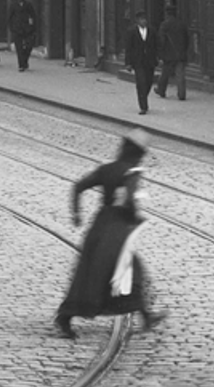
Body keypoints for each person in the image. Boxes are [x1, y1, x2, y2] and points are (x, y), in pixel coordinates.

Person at [54, 129, 162, 338]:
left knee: (93, 272)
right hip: (117, 230)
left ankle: (66, 317)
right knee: (128, 270)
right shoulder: (131, 172)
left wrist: (76, 214)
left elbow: (79, 186)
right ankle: (65, 317)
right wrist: (134, 215)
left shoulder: (107, 170)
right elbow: (130, 200)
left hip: (99, 225)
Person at [123, 11, 155, 114]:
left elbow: (156, 45)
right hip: (138, 61)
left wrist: (159, 57)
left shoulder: (152, 31)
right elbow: (128, 48)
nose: (144, 21)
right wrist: (128, 63)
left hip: (150, 60)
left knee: (149, 81)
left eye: (145, 19)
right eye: (142, 19)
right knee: (141, 82)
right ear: (137, 21)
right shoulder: (132, 31)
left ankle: (143, 96)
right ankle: (143, 106)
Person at [155, 5, 189, 100]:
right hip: (180, 53)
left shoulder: (164, 25)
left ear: (166, 13)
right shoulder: (182, 24)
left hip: (168, 54)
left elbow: (161, 40)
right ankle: (182, 94)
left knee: (165, 74)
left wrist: (160, 53)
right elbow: (187, 39)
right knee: (180, 74)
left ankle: (161, 90)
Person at [8, 0, 38, 71]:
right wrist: (12, 28)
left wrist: (33, 27)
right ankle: (21, 65)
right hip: (17, 29)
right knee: (19, 47)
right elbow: (10, 18)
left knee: (28, 46)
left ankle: (25, 60)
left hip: (27, 29)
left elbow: (33, 16)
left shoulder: (28, 5)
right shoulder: (13, 5)